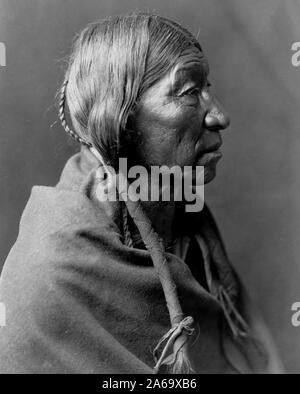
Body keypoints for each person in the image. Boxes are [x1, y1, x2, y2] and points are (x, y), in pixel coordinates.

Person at [0, 13, 283, 374]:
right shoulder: (55, 273)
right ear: (120, 116)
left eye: (207, 87)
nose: (219, 116)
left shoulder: (182, 220)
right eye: (190, 92)